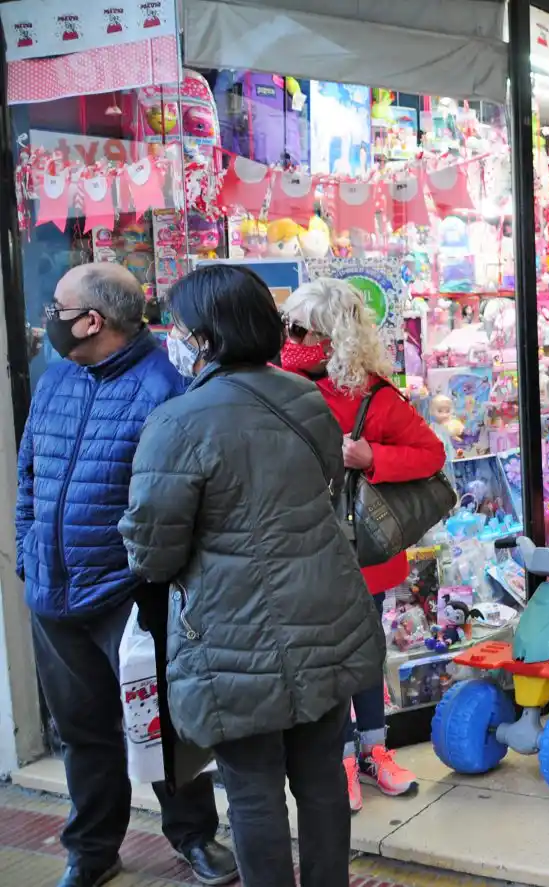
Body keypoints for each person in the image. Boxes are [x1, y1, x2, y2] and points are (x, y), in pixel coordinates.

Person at [118, 264, 389, 885]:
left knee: (251, 792)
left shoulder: (175, 424)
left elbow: (153, 554)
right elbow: (325, 489)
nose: (173, 337)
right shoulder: (305, 399)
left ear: (206, 337)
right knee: (322, 780)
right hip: (324, 618)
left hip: (230, 641)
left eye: (180, 326)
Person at [15, 263, 236, 887]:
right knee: (83, 734)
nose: (47, 321)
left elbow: (178, 503)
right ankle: (91, 849)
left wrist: (151, 582)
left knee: (161, 726)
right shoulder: (56, 380)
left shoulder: (164, 388)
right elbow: (29, 474)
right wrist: (29, 550)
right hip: (54, 593)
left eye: (58, 308)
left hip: (128, 596)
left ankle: (194, 838)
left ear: (93, 320)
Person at [280, 277, 446, 811]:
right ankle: (337, 759)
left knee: (364, 652)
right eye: (288, 326)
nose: (289, 337)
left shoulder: (371, 394)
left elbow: (431, 454)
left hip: (356, 553)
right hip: (295, 550)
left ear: (330, 336)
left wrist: (373, 458)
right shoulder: (271, 383)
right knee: (320, 661)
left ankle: (372, 752)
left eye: (299, 327)